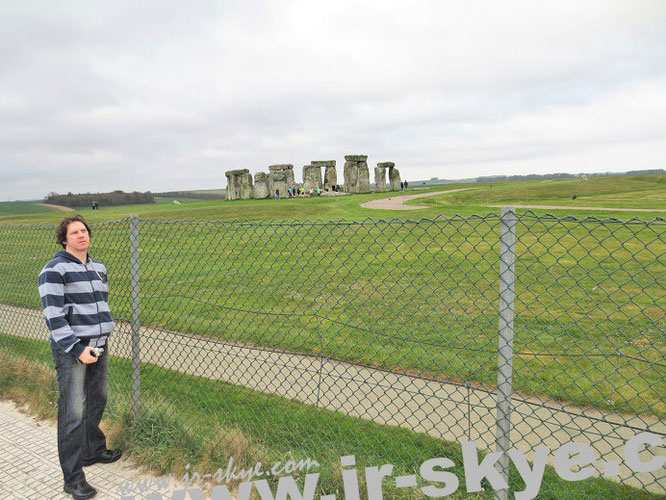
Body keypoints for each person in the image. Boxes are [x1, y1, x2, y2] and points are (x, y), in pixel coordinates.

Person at [38, 215, 121, 499]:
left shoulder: (98, 268)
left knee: (98, 399)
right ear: (64, 239)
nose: (81, 235)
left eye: (84, 231)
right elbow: (54, 317)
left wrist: (100, 339)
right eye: (74, 232)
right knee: (73, 413)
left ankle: (92, 450)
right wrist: (77, 349)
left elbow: (101, 303)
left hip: (99, 345)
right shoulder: (53, 270)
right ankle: (73, 479)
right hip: (73, 349)